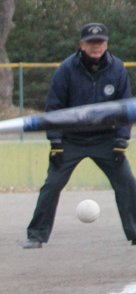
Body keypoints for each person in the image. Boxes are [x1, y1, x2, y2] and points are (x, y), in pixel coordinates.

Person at [23, 22, 136, 248]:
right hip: (71, 139)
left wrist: (121, 141)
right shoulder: (66, 69)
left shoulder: (117, 69)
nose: (96, 46)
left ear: (106, 44)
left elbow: (125, 108)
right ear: (81, 44)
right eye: (91, 42)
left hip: (106, 139)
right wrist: (56, 142)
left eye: (100, 42)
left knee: (127, 183)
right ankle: (36, 235)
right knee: (52, 185)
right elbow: (54, 109)